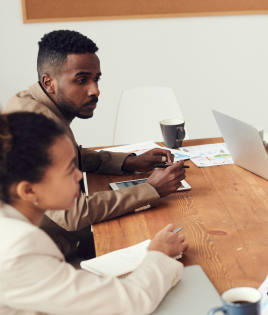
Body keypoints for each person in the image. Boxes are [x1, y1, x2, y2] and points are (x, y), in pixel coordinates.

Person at [3, 30, 186, 258]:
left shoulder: (32, 103)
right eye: (81, 80)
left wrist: (129, 161)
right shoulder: (33, 127)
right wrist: (150, 189)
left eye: (96, 78)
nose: (95, 90)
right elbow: (73, 214)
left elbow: (70, 156)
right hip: (58, 256)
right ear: (48, 82)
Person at [0, 112, 189, 315]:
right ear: (28, 190)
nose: (78, 175)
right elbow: (128, 303)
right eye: (67, 170)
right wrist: (159, 254)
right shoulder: (20, 247)